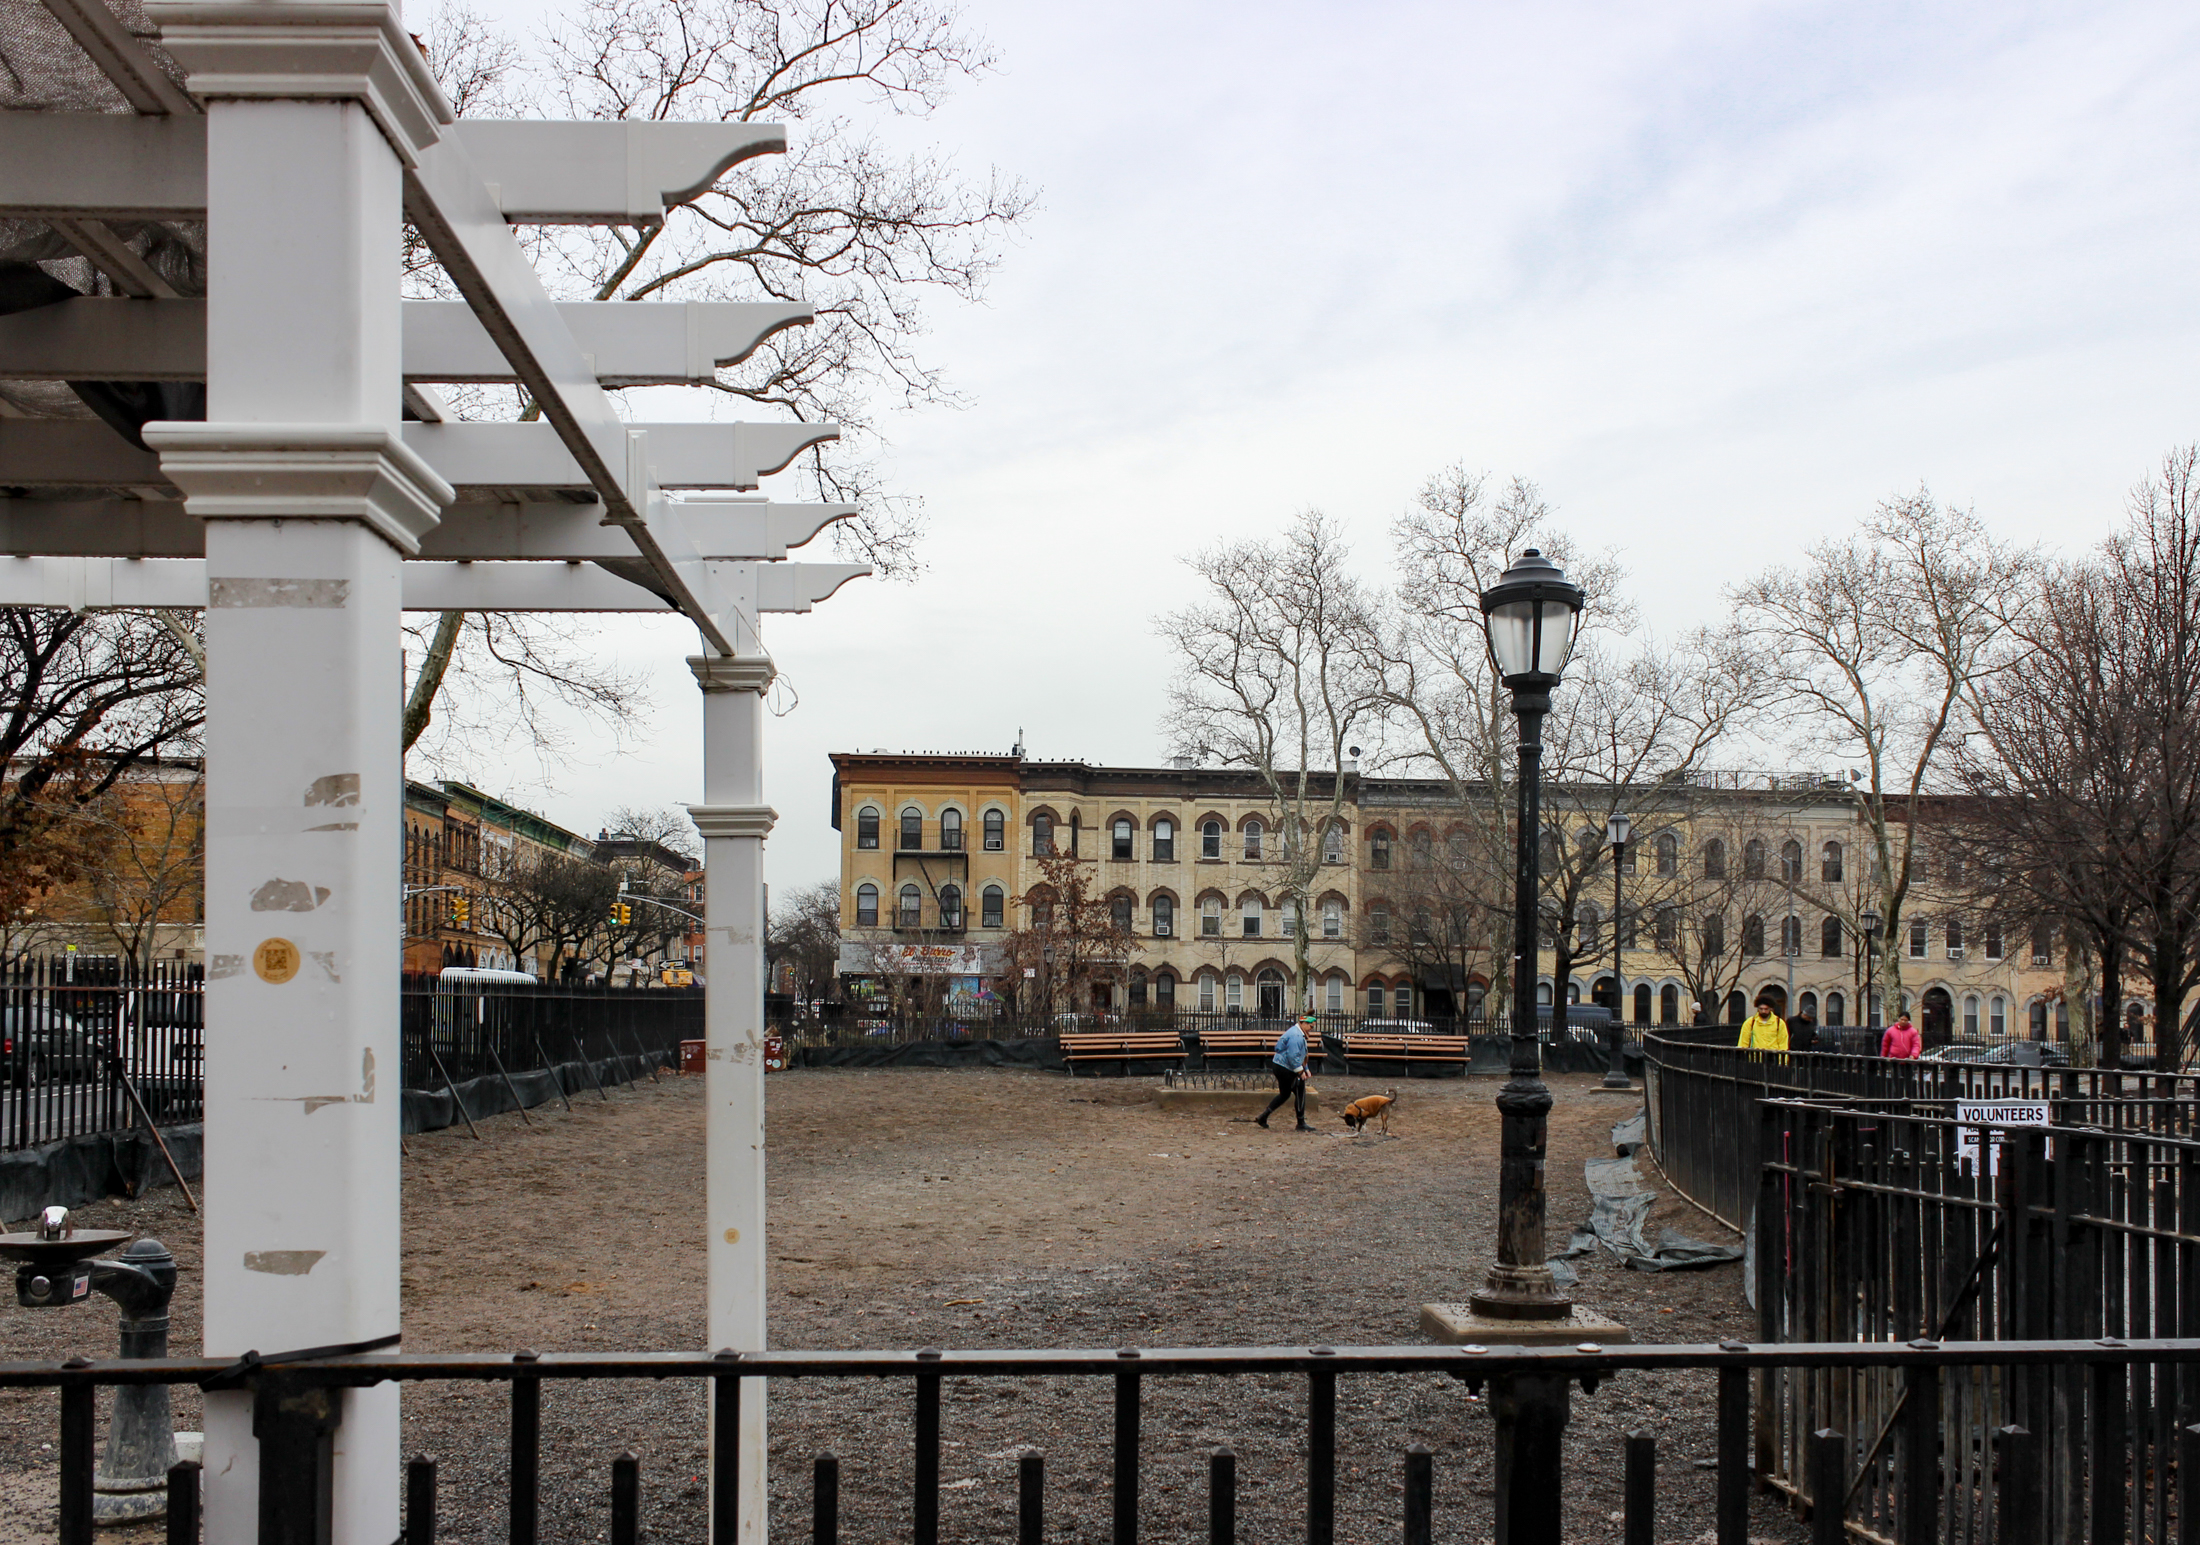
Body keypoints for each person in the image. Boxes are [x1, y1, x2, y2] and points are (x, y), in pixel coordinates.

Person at [1257, 1013, 1316, 1131]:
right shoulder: (1296, 1036)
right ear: (1303, 1023)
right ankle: (1301, 1123)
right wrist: (1300, 1072)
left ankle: (1263, 1117)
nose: (1312, 1029)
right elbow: (1293, 1056)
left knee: (1285, 1094)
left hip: (1280, 1065)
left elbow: (1301, 1054)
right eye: (1311, 1026)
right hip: (1286, 1067)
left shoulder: (1297, 1032)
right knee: (1300, 1091)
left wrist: (1306, 1068)